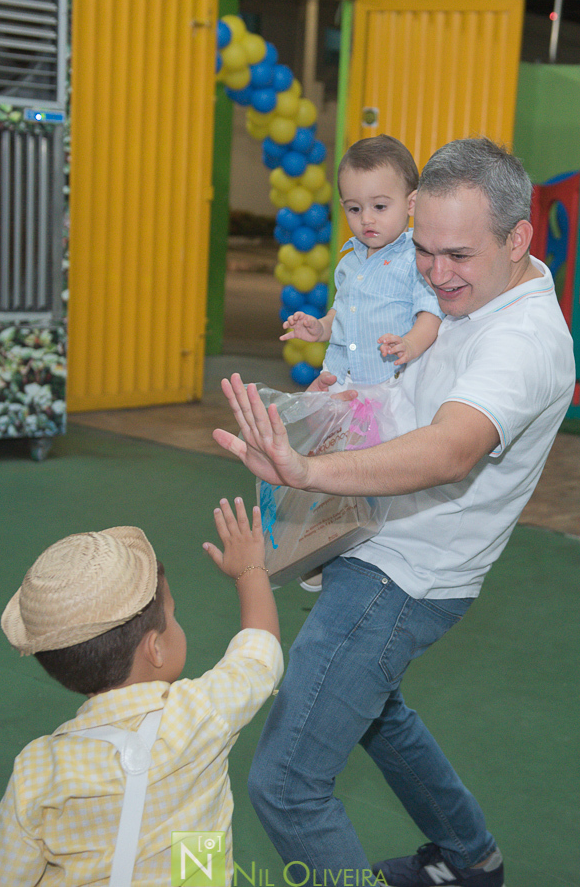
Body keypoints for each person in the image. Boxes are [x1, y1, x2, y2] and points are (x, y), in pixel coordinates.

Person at [212, 137, 576, 887]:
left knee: (284, 785)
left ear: (517, 238)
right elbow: (405, 403)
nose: (437, 275)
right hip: (384, 542)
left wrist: (308, 467)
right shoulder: (477, 295)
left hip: (403, 575)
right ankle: (470, 857)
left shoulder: (523, 338)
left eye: (458, 256)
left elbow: (447, 448)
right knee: (378, 715)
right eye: (425, 252)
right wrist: (316, 419)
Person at [0, 499, 283, 887]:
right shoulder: (202, 713)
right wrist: (249, 571)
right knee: (195, 848)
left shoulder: (38, 771)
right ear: (154, 648)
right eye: (173, 615)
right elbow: (260, 655)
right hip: (192, 873)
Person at [280, 135, 443, 384]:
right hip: (341, 379)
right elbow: (345, 313)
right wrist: (321, 328)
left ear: (411, 203)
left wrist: (410, 344)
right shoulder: (350, 261)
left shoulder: (416, 257)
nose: (366, 218)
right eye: (355, 209)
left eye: (379, 207)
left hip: (390, 384)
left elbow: (430, 314)